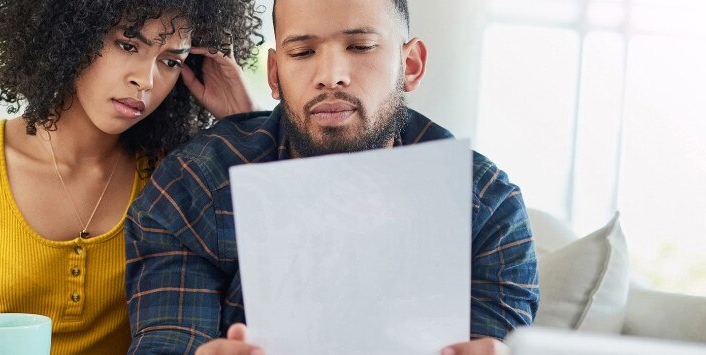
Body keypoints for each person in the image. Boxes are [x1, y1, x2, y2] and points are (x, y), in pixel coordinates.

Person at [124, 1, 538, 354]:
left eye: (360, 47)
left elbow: (492, 335)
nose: (330, 75)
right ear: (274, 75)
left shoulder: (487, 206)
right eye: (302, 53)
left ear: (409, 65)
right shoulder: (194, 185)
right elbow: (169, 340)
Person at [0, 1, 265, 354]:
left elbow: (275, 260)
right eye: (128, 45)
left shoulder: (173, 176)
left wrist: (243, 119)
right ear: (71, 34)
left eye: (169, 61)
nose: (146, 81)